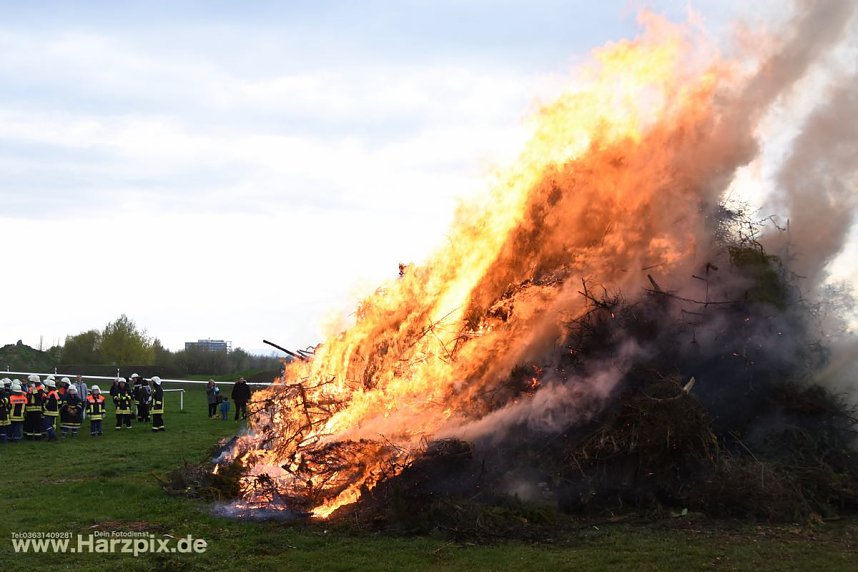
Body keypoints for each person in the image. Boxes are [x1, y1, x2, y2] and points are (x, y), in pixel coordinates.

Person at [23, 374, 44, 440]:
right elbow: (28, 397)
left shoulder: (40, 388)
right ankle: (29, 437)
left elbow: (39, 397)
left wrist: (34, 389)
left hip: (36, 409)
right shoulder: (30, 388)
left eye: (32, 382)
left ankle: (38, 437)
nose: (31, 383)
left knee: (37, 424)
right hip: (29, 409)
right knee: (29, 424)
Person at [0, 379, 10, 443]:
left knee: (2, 428)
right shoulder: (6, 394)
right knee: (3, 428)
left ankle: (3, 440)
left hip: (2, 413)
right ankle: (3, 440)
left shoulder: (4, 395)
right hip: (4, 414)